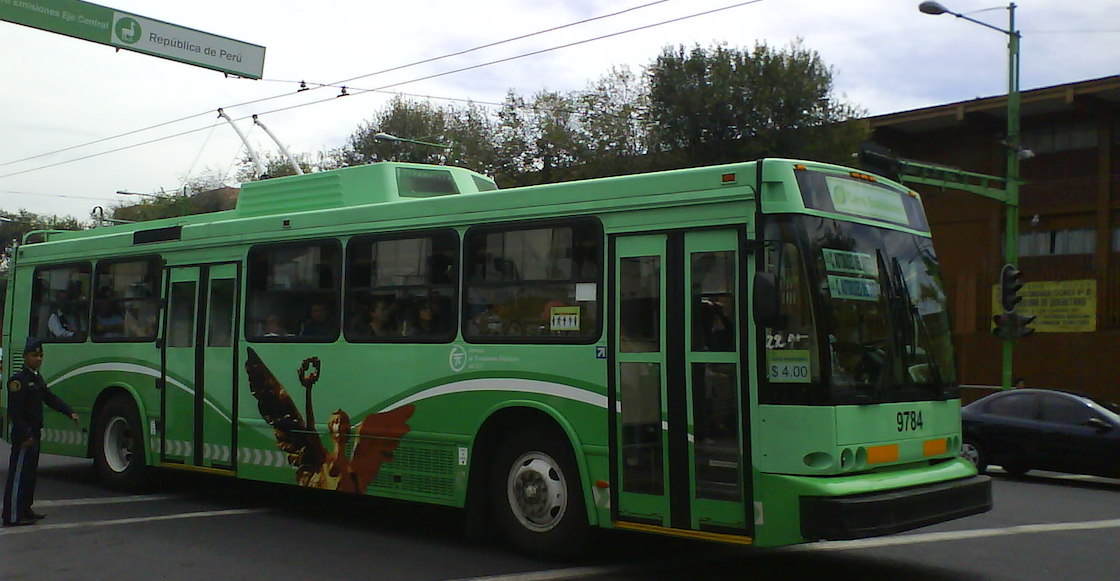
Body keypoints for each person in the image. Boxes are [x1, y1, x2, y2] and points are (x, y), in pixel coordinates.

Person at [4, 338, 79, 527]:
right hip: (24, 436)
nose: (38, 359)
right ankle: (12, 515)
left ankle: (26, 509)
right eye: (34, 355)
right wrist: (25, 435)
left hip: (35, 433)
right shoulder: (18, 381)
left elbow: (50, 398)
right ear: (25, 357)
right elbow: (15, 412)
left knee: (30, 475)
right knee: (18, 476)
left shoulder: (36, 378)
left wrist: (68, 411)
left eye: (41, 355)